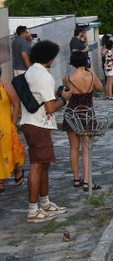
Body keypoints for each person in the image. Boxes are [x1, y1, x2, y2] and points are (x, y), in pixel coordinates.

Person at [21, 40, 72, 223]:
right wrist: (64, 99)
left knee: (44, 164)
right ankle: (33, 210)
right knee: (36, 165)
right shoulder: (44, 76)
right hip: (38, 125)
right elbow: (50, 107)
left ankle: (44, 203)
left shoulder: (31, 71)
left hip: (32, 123)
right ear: (50, 58)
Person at [62, 51, 103, 191]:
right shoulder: (91, 76)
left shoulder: (67, 78)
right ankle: (87, 180)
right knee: (86, 148)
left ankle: (76, 178)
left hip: (72, 113)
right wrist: (91, 71)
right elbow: (100, 88)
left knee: (73, 147)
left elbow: (66, 94)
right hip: (87, 113)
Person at [0, 66, 25, 192]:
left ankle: (17, 169)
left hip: (6, 125)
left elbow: (16, 103)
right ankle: (1, 180)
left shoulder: (5, 86)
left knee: (9, 150)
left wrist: (13, 123)